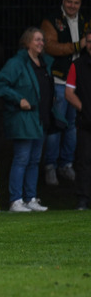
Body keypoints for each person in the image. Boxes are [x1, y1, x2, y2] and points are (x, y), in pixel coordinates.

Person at [0, 27, 55, 213]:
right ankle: (16, 200)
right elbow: (0, 85)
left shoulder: (44, 63)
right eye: (37, 39)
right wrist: (18, 99)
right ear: (27, 42)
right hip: (23, 118)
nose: (41, 43)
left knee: (35, 160)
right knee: (22, 158)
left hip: (40, 117)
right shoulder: (16, 63)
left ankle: (30, 198)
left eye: (42, 40)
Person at [40, 0, 86, 185]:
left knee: (73, 125)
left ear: (80, 4)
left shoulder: (85, 21)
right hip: (58, 80)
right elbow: (49, 46)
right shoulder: (51, 20)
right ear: (63, 1)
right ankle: (50, 166)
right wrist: (76, 46)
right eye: (69, 2)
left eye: (76, 2)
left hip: (79, 83)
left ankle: (66, 164)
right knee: (56, 124)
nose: (72, 6)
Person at [64, 24, 91, 210]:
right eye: (88, 42)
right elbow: (69, 93)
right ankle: (83, 199)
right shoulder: (77, 65)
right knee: (83, 161)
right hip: (85, 123)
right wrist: (85, 109)